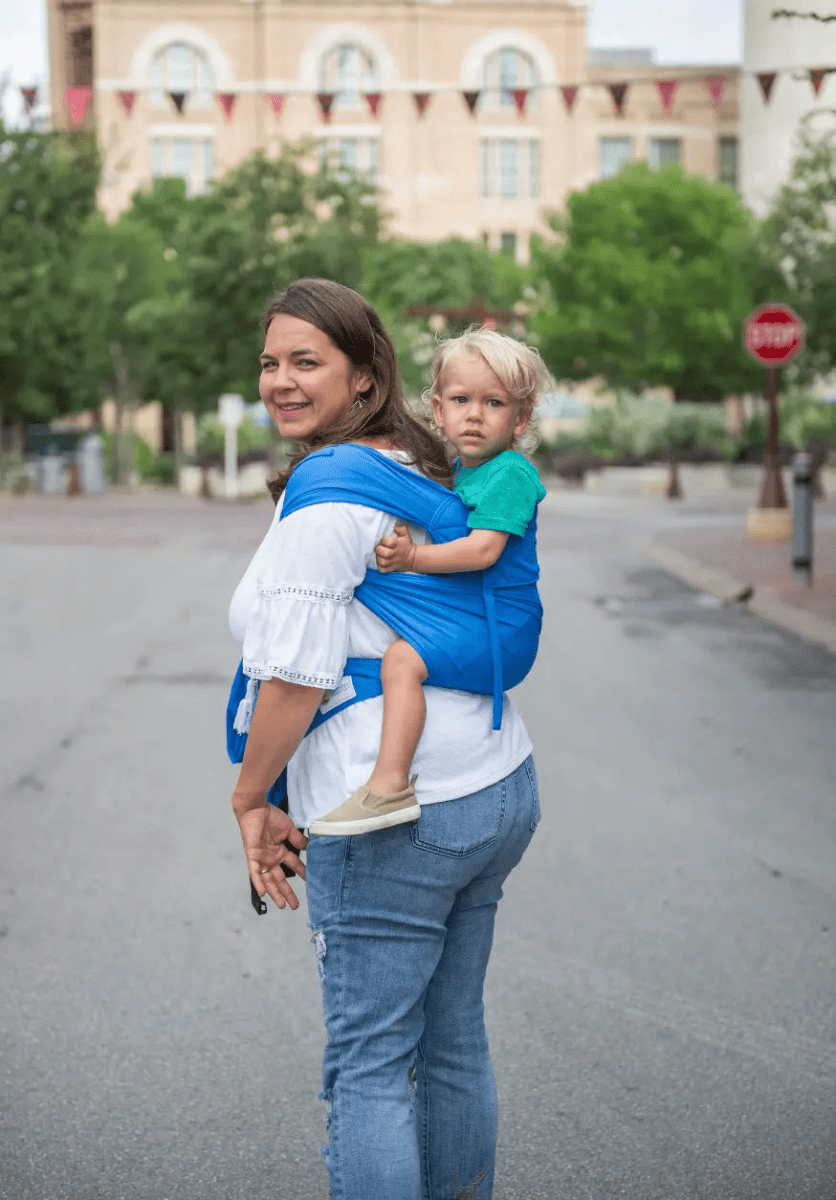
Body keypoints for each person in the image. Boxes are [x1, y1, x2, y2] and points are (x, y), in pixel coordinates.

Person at [229, 278, 540, 1200]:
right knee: (451, 1042)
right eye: (270, 363)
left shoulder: (329, 495)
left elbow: (295, 678)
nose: (281, 381)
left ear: (365, 377)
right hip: (495, 784)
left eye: (307, 362)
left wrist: (250, 798)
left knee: (368, 1067)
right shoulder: (418, 461)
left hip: (396, 814)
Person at [307, 327, 547, 836]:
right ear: (438, 409)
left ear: (520, 419)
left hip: (502, 628)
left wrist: (413, 557)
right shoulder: (460, 470)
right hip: (479, 615)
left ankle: (389, 785)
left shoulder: (510, 473)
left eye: (494, 403)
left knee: (401, 661)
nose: (475, 415)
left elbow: (482, 550)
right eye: (461, 400)